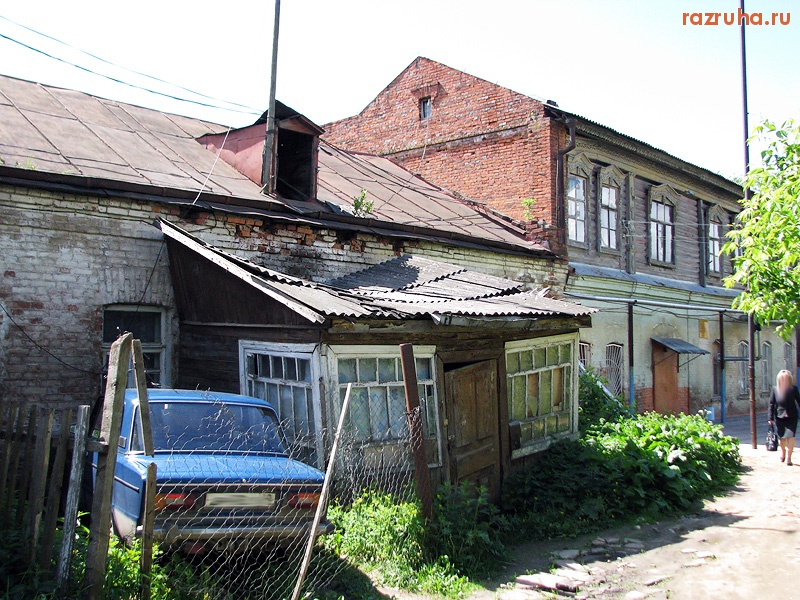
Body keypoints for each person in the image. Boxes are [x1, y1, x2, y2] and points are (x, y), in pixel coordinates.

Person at [768, 369, 800, 465]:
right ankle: (783, 453)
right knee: (782, 438)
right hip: (780, 417)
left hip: (792, 417)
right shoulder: (775, 389)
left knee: (791, 436)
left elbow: (799, 401)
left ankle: (789, 458)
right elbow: (771, 404)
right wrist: (770, 418)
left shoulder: (793, 389)